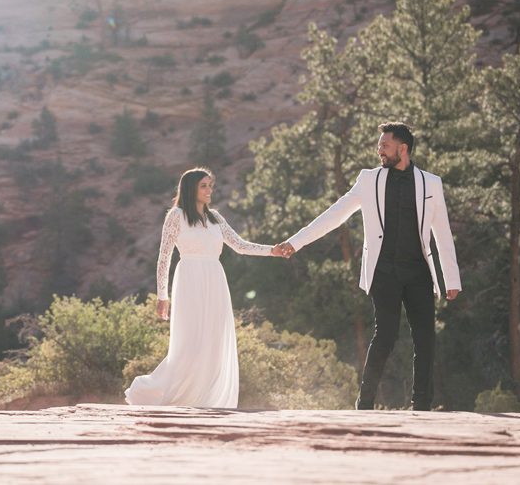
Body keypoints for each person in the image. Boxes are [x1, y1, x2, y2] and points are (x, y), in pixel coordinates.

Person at [273, 122, 461, 411]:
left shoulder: (431, 183)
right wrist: (295, 243)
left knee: (425, 338)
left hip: (419, 272)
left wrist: (451, 278)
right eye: (379, 145)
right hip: (383, 271)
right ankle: (365, 403)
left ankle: (421, 405)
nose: (379, 150)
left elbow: (442, 232)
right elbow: (334, 214)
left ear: (403, 148)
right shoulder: (368, 180)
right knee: (385, 336)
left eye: (385, 145)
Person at [125, 167, 277, 408]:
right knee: (190, 342)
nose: (209, 190)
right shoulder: (176, 216)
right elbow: (164, 257)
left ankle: (205, 399)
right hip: (189, 279)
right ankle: (157, 391)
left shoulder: (216, 217)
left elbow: (239, 245)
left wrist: (272, 250)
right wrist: (162, 296)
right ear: (191, 188)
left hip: (215, 279)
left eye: (210, 185)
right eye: (204, 186)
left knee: (213, 341)